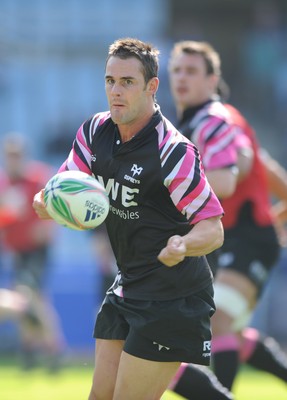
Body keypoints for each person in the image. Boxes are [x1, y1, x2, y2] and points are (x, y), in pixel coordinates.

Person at [33, 37, 224, 400]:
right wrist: (46, 200)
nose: (115, 91)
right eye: (110, 81)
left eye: (127, 82)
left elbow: (213, 228)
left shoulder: (173, 151)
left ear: (152, 87)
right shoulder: (95, 132)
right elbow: (62, 186)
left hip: (173, 296)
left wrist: (184, 244)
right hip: (128, 286)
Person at [168, 40, 287, 394]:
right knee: (227, 331)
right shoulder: (199, 123)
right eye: (176, 70)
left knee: (217, 321)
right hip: (223, 241)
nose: (181, 78)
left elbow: (235, 172)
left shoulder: (216, 120)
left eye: (191, 71)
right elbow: (264, 166)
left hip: (246, 239)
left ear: (212, 79)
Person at [0, 133, 65, 371]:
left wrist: (46, 228)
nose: (13, 159)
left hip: (37, 249)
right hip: (17, 251)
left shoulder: (37, 177)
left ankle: (51, 348)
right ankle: (36, 349)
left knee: (28, 294)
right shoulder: (5, 184)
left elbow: (53, 208)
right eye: (10, 155)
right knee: (30, 298)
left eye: (16, 155)